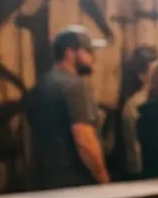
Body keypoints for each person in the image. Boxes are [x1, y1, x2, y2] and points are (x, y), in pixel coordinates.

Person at [25, 25, 110, 189]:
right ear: (70, 53)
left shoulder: (41, 85)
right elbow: (84, 139)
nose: (94, 58)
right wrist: (103, 177)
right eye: (88, 51)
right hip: (76, 182)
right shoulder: (74, 86)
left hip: (46, 181)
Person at [119, 47, 158, 179]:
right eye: (154, 72)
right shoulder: (135, 104)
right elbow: (135, 144)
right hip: (146, 171)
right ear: (142, 76)